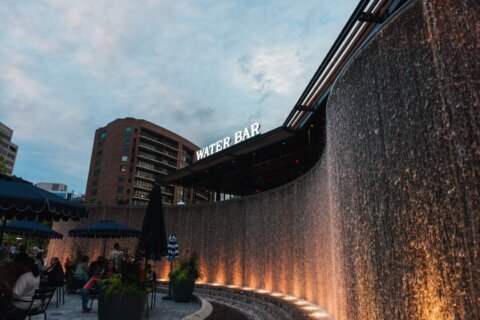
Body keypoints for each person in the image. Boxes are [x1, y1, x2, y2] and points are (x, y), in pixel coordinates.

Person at [0, 254, 40, 319]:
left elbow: (15, 295)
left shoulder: (24, 277)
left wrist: (6, 285)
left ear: (25, 266)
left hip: (24, 306)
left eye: (19, 266)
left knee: (3, 304)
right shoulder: (36, 275)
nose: (18, 267)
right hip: (34, 304)